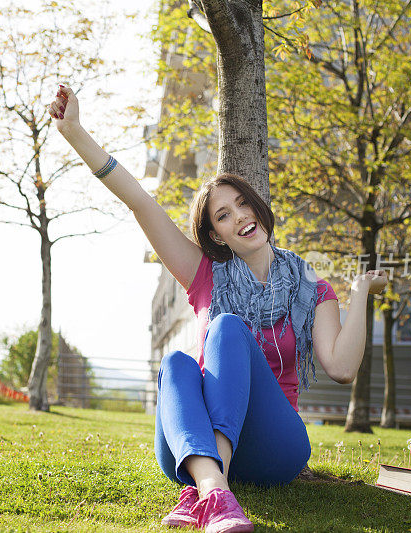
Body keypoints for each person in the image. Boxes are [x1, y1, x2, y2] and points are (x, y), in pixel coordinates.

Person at [47, 85, 387, 533]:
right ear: (217, 236)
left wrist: (360, 292)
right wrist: (74, 132)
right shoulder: (204, 274)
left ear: (259, 207)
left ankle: (208, 489)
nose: (239, 215)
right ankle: (214, 489)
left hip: (274, 446)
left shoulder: (311, 286)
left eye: (242, 202)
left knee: (226, 329)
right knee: (175, 363)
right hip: (194, 446)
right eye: (223, 215)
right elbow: (139, 201)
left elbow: (342, 368)